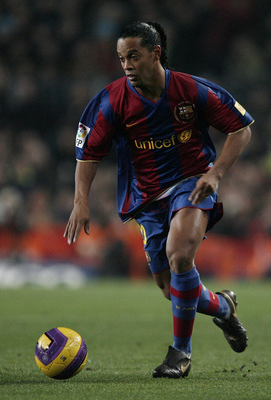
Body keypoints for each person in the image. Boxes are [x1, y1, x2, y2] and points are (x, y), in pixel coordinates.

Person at [64, 21, 254, 379]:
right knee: (172, 289)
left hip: (192, 182)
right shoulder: (109, 101)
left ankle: (179, 354)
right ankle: (223, 308)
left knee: (181, 255)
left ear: (156, 53)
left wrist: (214, 174)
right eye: (121, 59)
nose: (127, 65)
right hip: (146, 197)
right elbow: (87, 154)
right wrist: (80, 201)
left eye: (133, 56)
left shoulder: (192, 90)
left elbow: (240, 129)